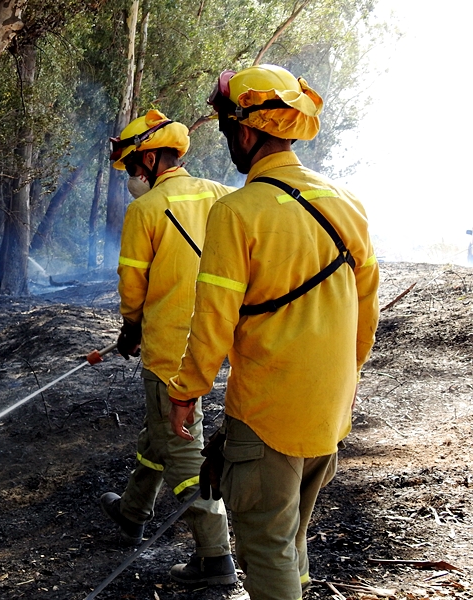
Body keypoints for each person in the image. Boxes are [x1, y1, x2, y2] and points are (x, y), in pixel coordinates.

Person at [167, 65, 380, 600]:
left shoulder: (237, 212)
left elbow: (213, 321)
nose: (227, 141)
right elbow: (366, 316)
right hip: (328, 414)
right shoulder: (347, 204)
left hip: (267, 418)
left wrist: (186, 393)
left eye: (226, 130)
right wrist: (341, 384)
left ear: (245, 130)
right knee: (292, 537)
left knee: (265, 548)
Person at [99, 108, 237, 585]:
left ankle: (215, 558)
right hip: (218, 341)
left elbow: (132, 284)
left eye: (136, 166)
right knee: (158, 432)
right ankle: (133, 513)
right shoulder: (222, 196)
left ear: (155, 158)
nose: (133, 177)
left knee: (182, 453)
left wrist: (130, 331)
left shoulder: (145, 210)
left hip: (170, 349)